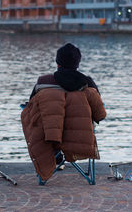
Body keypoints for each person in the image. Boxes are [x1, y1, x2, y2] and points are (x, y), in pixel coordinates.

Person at [21, 43, 106, 181]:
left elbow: (30, 107)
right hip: (80, 137)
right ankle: (86, 174)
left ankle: (56, 157)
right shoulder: (88, 83)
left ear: (57, 63)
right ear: (77, 64)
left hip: (50, 136)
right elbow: (99, 114)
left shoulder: (43, 82)